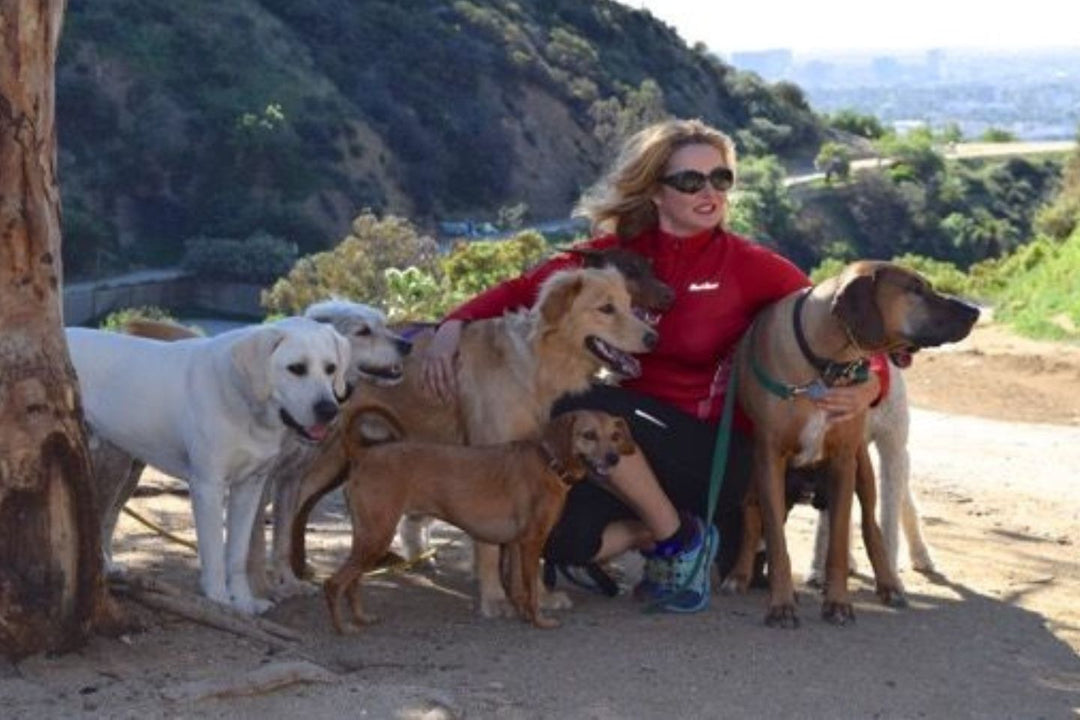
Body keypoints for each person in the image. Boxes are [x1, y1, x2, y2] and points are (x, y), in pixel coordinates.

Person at [420, 118, 885, 612]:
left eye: (720, 178)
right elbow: (523, 291)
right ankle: (670, 531)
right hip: (627, 453)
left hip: (712, 454)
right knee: (553, 535)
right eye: (690, 181)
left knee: (581, 400)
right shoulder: (614, 259)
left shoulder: (752, 266)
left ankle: (677, 540)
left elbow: (839, 321)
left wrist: (870, 383)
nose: (710, 191)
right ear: (656, 193)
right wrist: (451, 326)